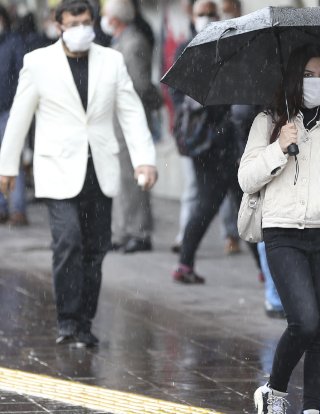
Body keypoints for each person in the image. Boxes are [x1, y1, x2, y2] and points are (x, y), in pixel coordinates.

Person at [0, 0, 157, 347]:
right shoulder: (38, 63)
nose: (81, 28)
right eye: (73, 23)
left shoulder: (111, 60)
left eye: (86, 21)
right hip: (57, 170)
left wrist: (144, 159)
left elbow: (130, 112)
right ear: (59, 27)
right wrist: (6, 167)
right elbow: (19, 116)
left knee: (95, 250)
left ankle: (84, 322)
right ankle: (67, 321)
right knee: (68, 241)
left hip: (99, 169)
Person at [239, 44, 320, 414]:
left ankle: (312, 407)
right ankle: (275, 391)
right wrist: (279, 147)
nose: (317, 83)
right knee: (305, 321)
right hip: (284, 234)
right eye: (309, 75)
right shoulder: (268, 122)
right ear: (294, 79)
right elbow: (247, 179)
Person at [171, 0, 243, 257]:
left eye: (212, 13)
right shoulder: (186, 49)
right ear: (192, 15)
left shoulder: (229, 47)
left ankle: (226, 241)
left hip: (227, 135)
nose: (207, 18)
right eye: (202, 14)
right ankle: (186, 255)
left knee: (235, 199)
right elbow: (178, 94)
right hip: (202, 138)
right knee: (204, 198)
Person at [102, 0, 162, 254]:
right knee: (122, 180)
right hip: (117, 123)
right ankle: (123, 231)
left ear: (115, 19)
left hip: (130, 123)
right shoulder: (120, 42)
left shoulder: (133, 43)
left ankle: (139, 232)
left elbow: (140, 86)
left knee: (135, 179)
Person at [0, 5, 26, 226]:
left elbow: (22, 74)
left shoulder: (14, 42)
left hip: (9, 109)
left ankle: (17, 210)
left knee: (12, 159)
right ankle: (1, 208)